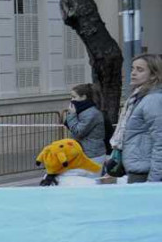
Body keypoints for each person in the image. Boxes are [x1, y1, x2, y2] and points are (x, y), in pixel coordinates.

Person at [114, 54, 162, 183]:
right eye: (133, 68)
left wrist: (153, 181)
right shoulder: (137, 98)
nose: (133, 73)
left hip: (146, 172)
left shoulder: (153, 99)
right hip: (138, 168)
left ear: (153, 75)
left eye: (140, 70)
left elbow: (160, 140)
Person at [63, 83, 107, 172]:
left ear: (83, 97)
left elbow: (78, 131)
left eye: (74, 97)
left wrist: (72, 115)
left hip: (92, 155)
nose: (71, 100)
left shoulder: (92, 113)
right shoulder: (82, 111)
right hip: (84, 153)